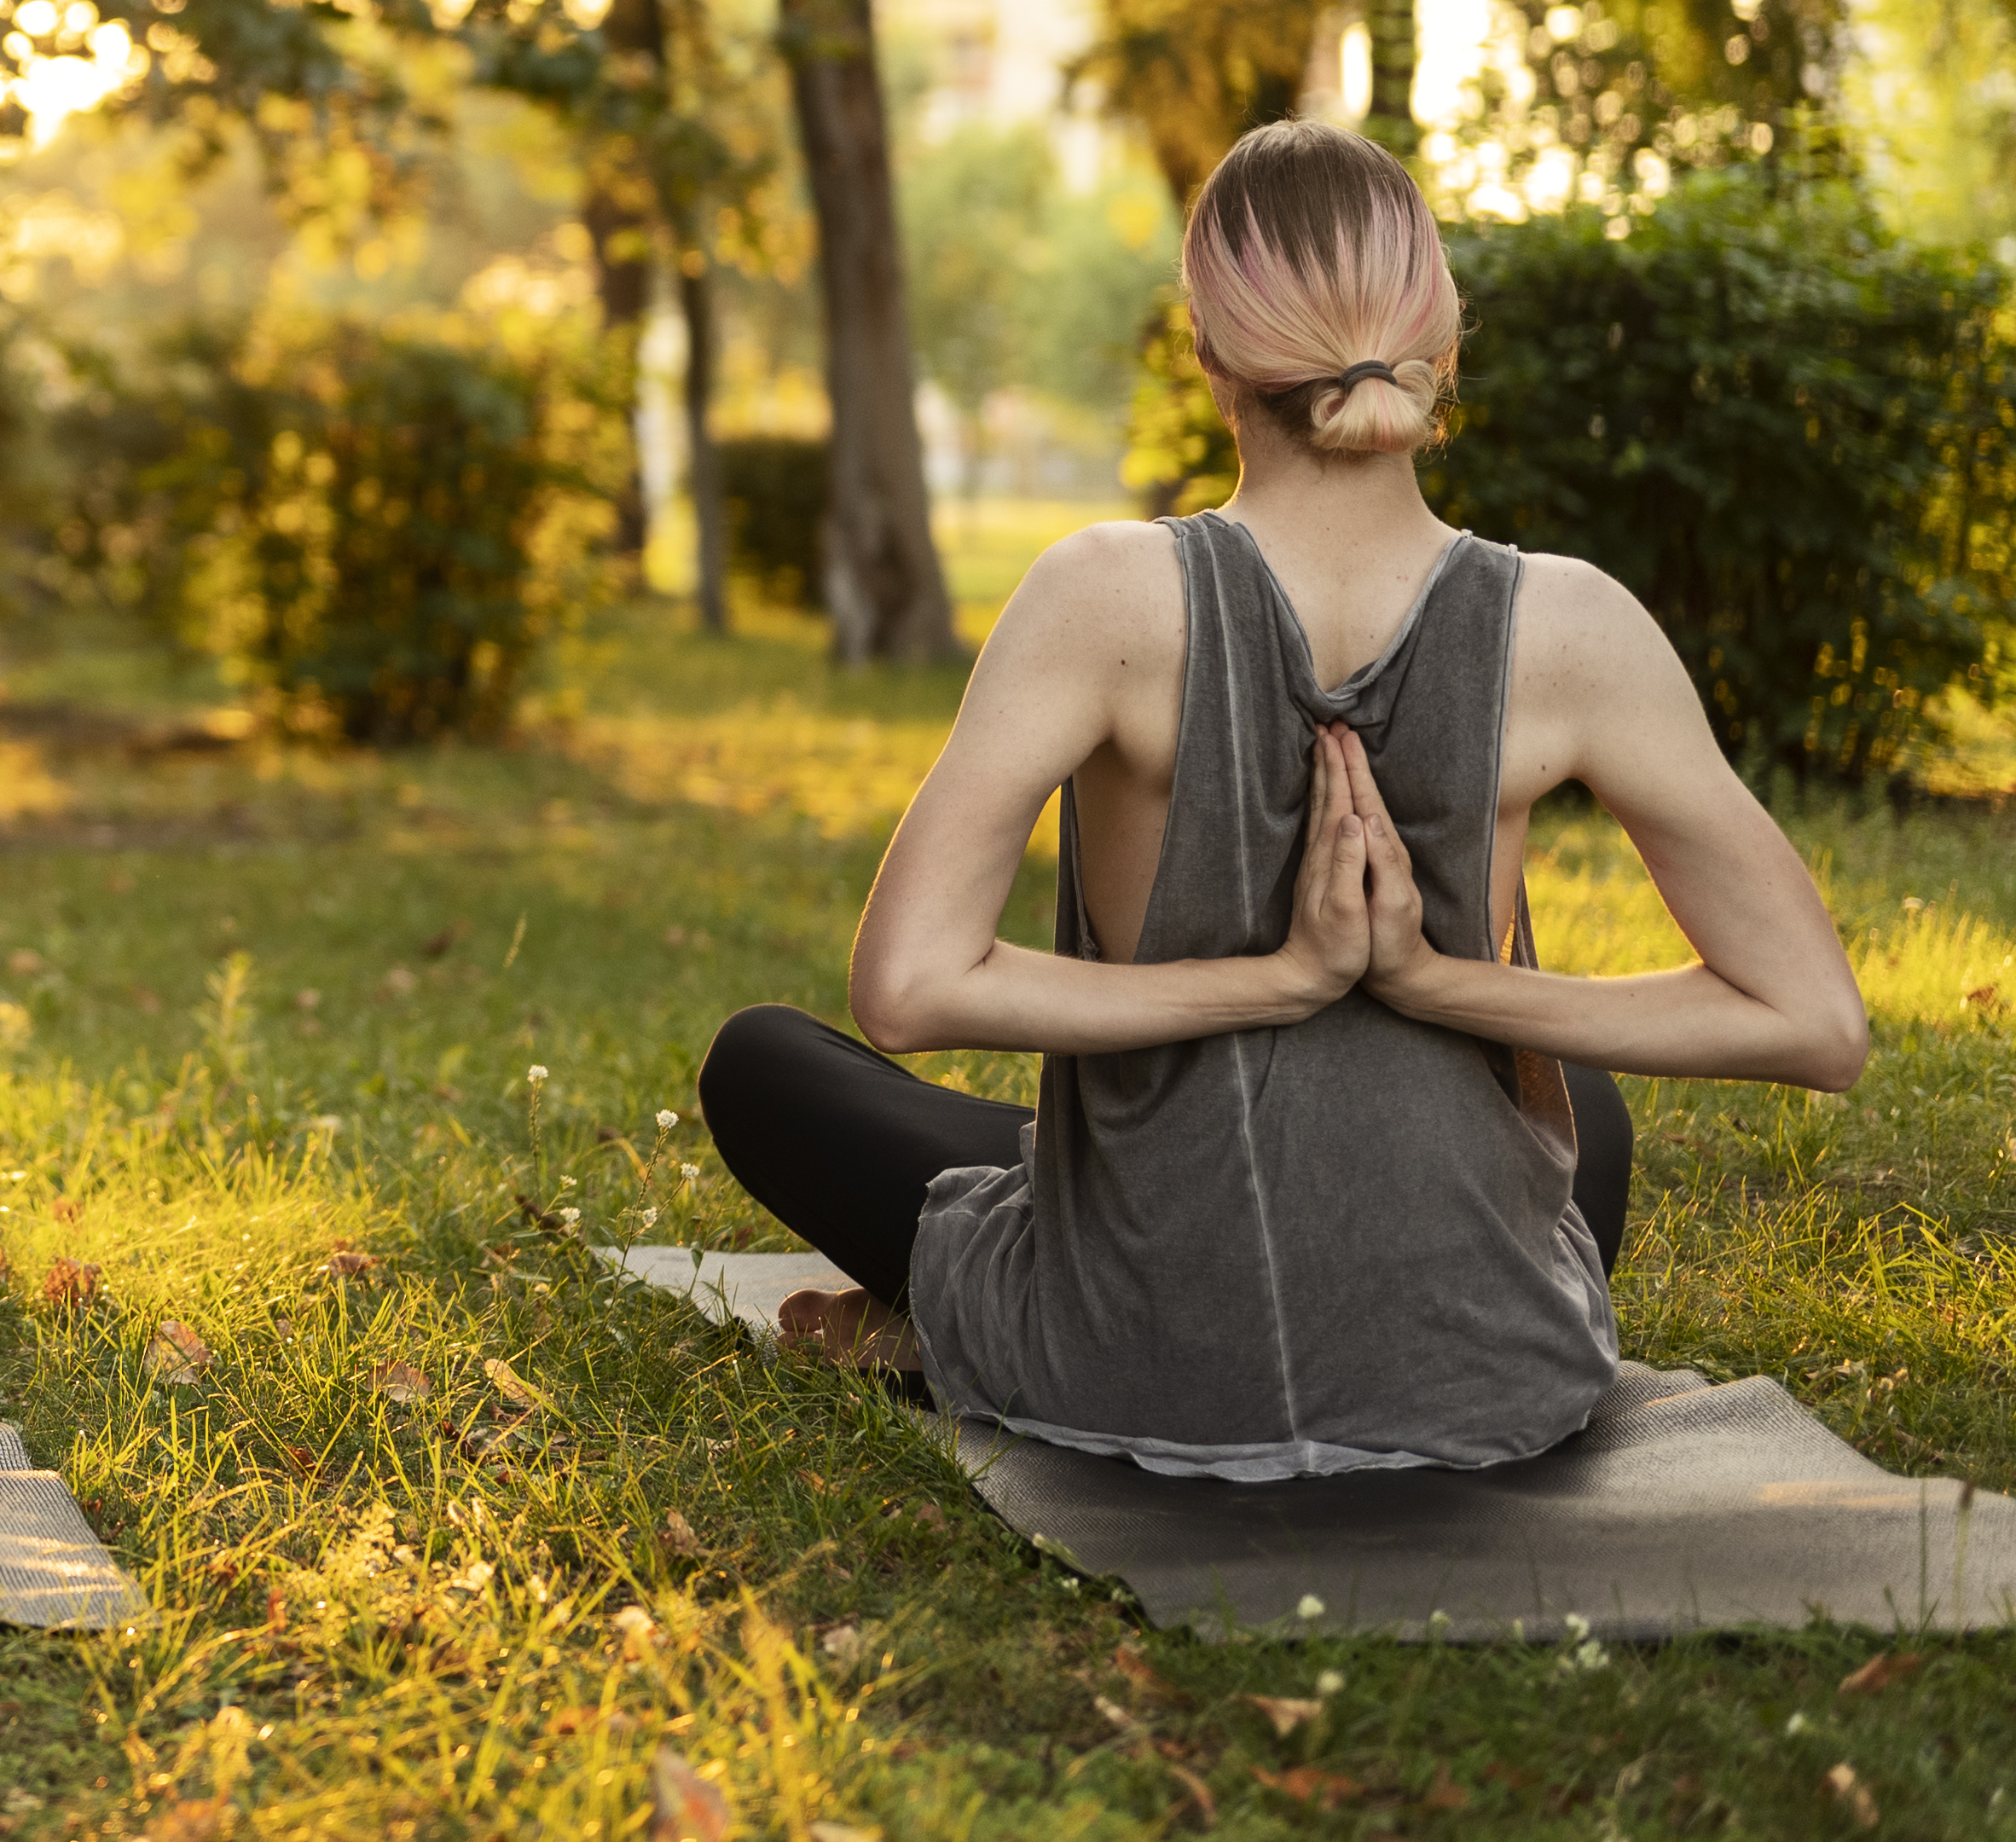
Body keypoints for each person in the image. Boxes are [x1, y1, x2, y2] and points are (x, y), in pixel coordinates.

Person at [695, 118, 1867, 1478]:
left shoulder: (1101, 597)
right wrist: (1429, 985)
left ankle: (956, 1308)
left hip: (1135, 1355)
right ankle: (1140, 1219)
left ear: (1206, 356)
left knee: (765, 1062)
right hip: (1493, 1378)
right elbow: (1816, 1022)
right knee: (1576, 1095)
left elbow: (904, 989)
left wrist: (1272, 986)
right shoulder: (1575, 625)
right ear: (1442, 337)